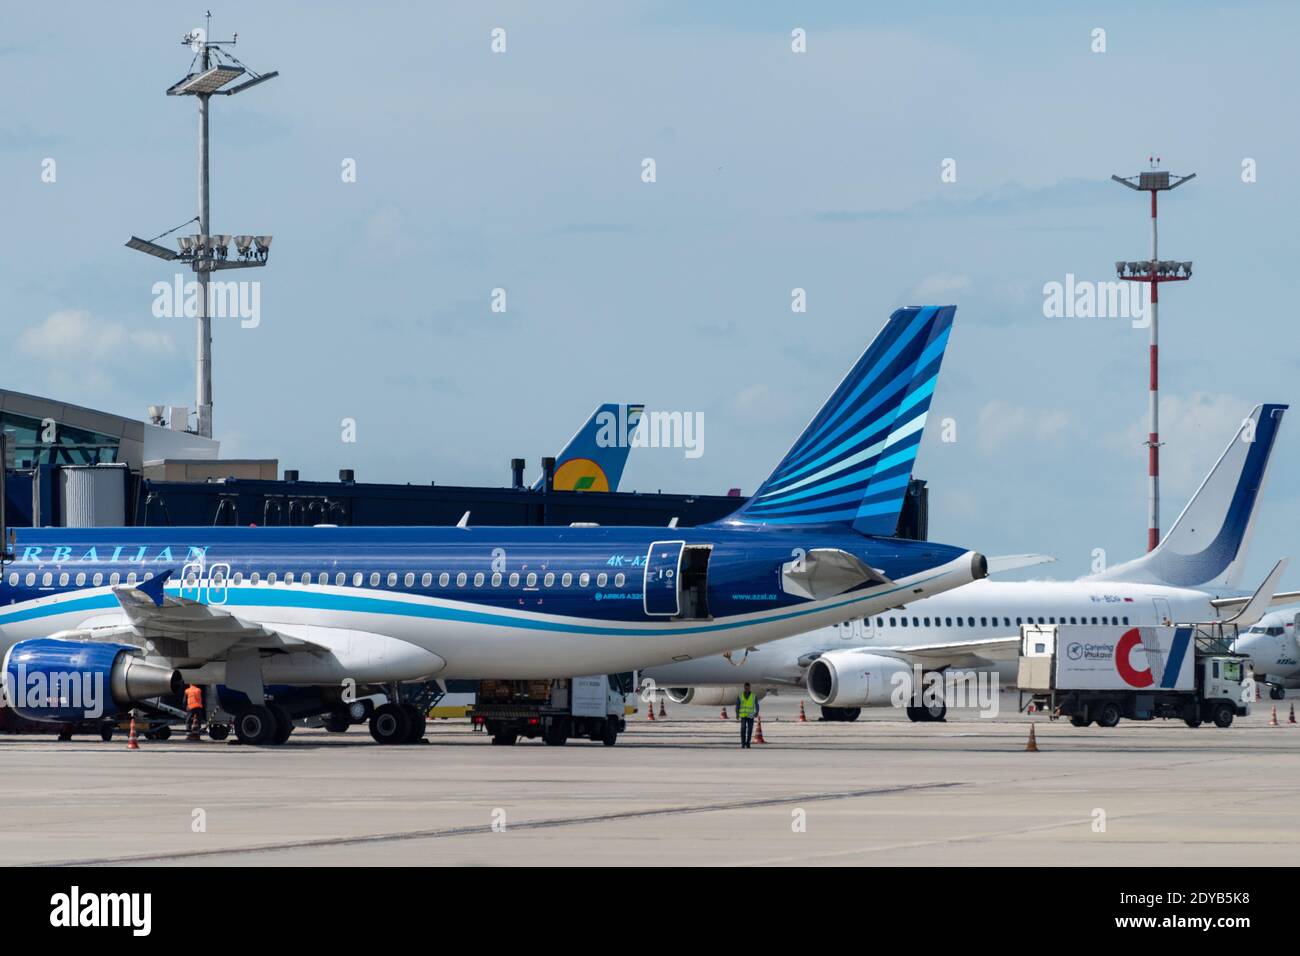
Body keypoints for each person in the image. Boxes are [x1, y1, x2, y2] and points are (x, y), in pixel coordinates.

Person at [737, 683, 759, 748]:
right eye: (746, 688)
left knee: (750, 730)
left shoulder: (753, 696)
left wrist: (756, 712)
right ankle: (743, 743)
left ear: (749, 688)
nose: (747, 689)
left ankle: (748, 742)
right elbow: (737, 705)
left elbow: (756, 705)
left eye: (748, 688)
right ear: (744, 688)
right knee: (743, 729)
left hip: (751, 715)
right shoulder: (740, 696)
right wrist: (737, 713)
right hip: (743, 715)